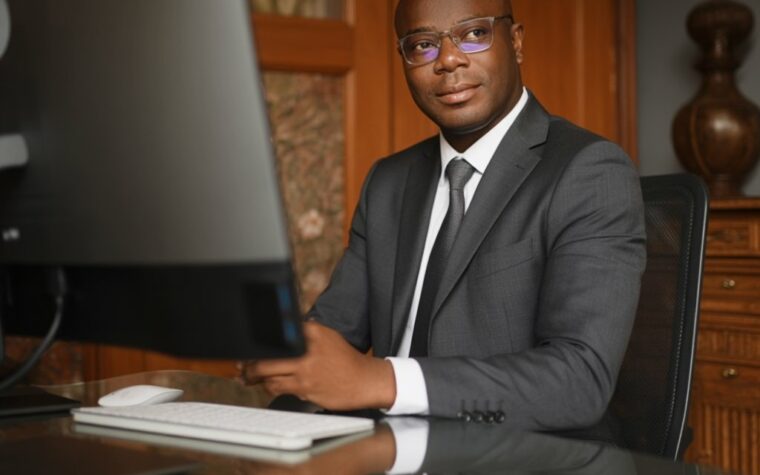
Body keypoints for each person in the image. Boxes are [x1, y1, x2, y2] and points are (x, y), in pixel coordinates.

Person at [248, 0, 646, 431]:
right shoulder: (388, 181)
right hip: (387, 447)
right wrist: (271, 344)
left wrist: (382, 381)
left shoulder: (589, 171)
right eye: (423, 45)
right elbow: (332, 332)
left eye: (474, 34)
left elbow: (579, 381)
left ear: (515, 42)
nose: (449, 60)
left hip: (510, 451)